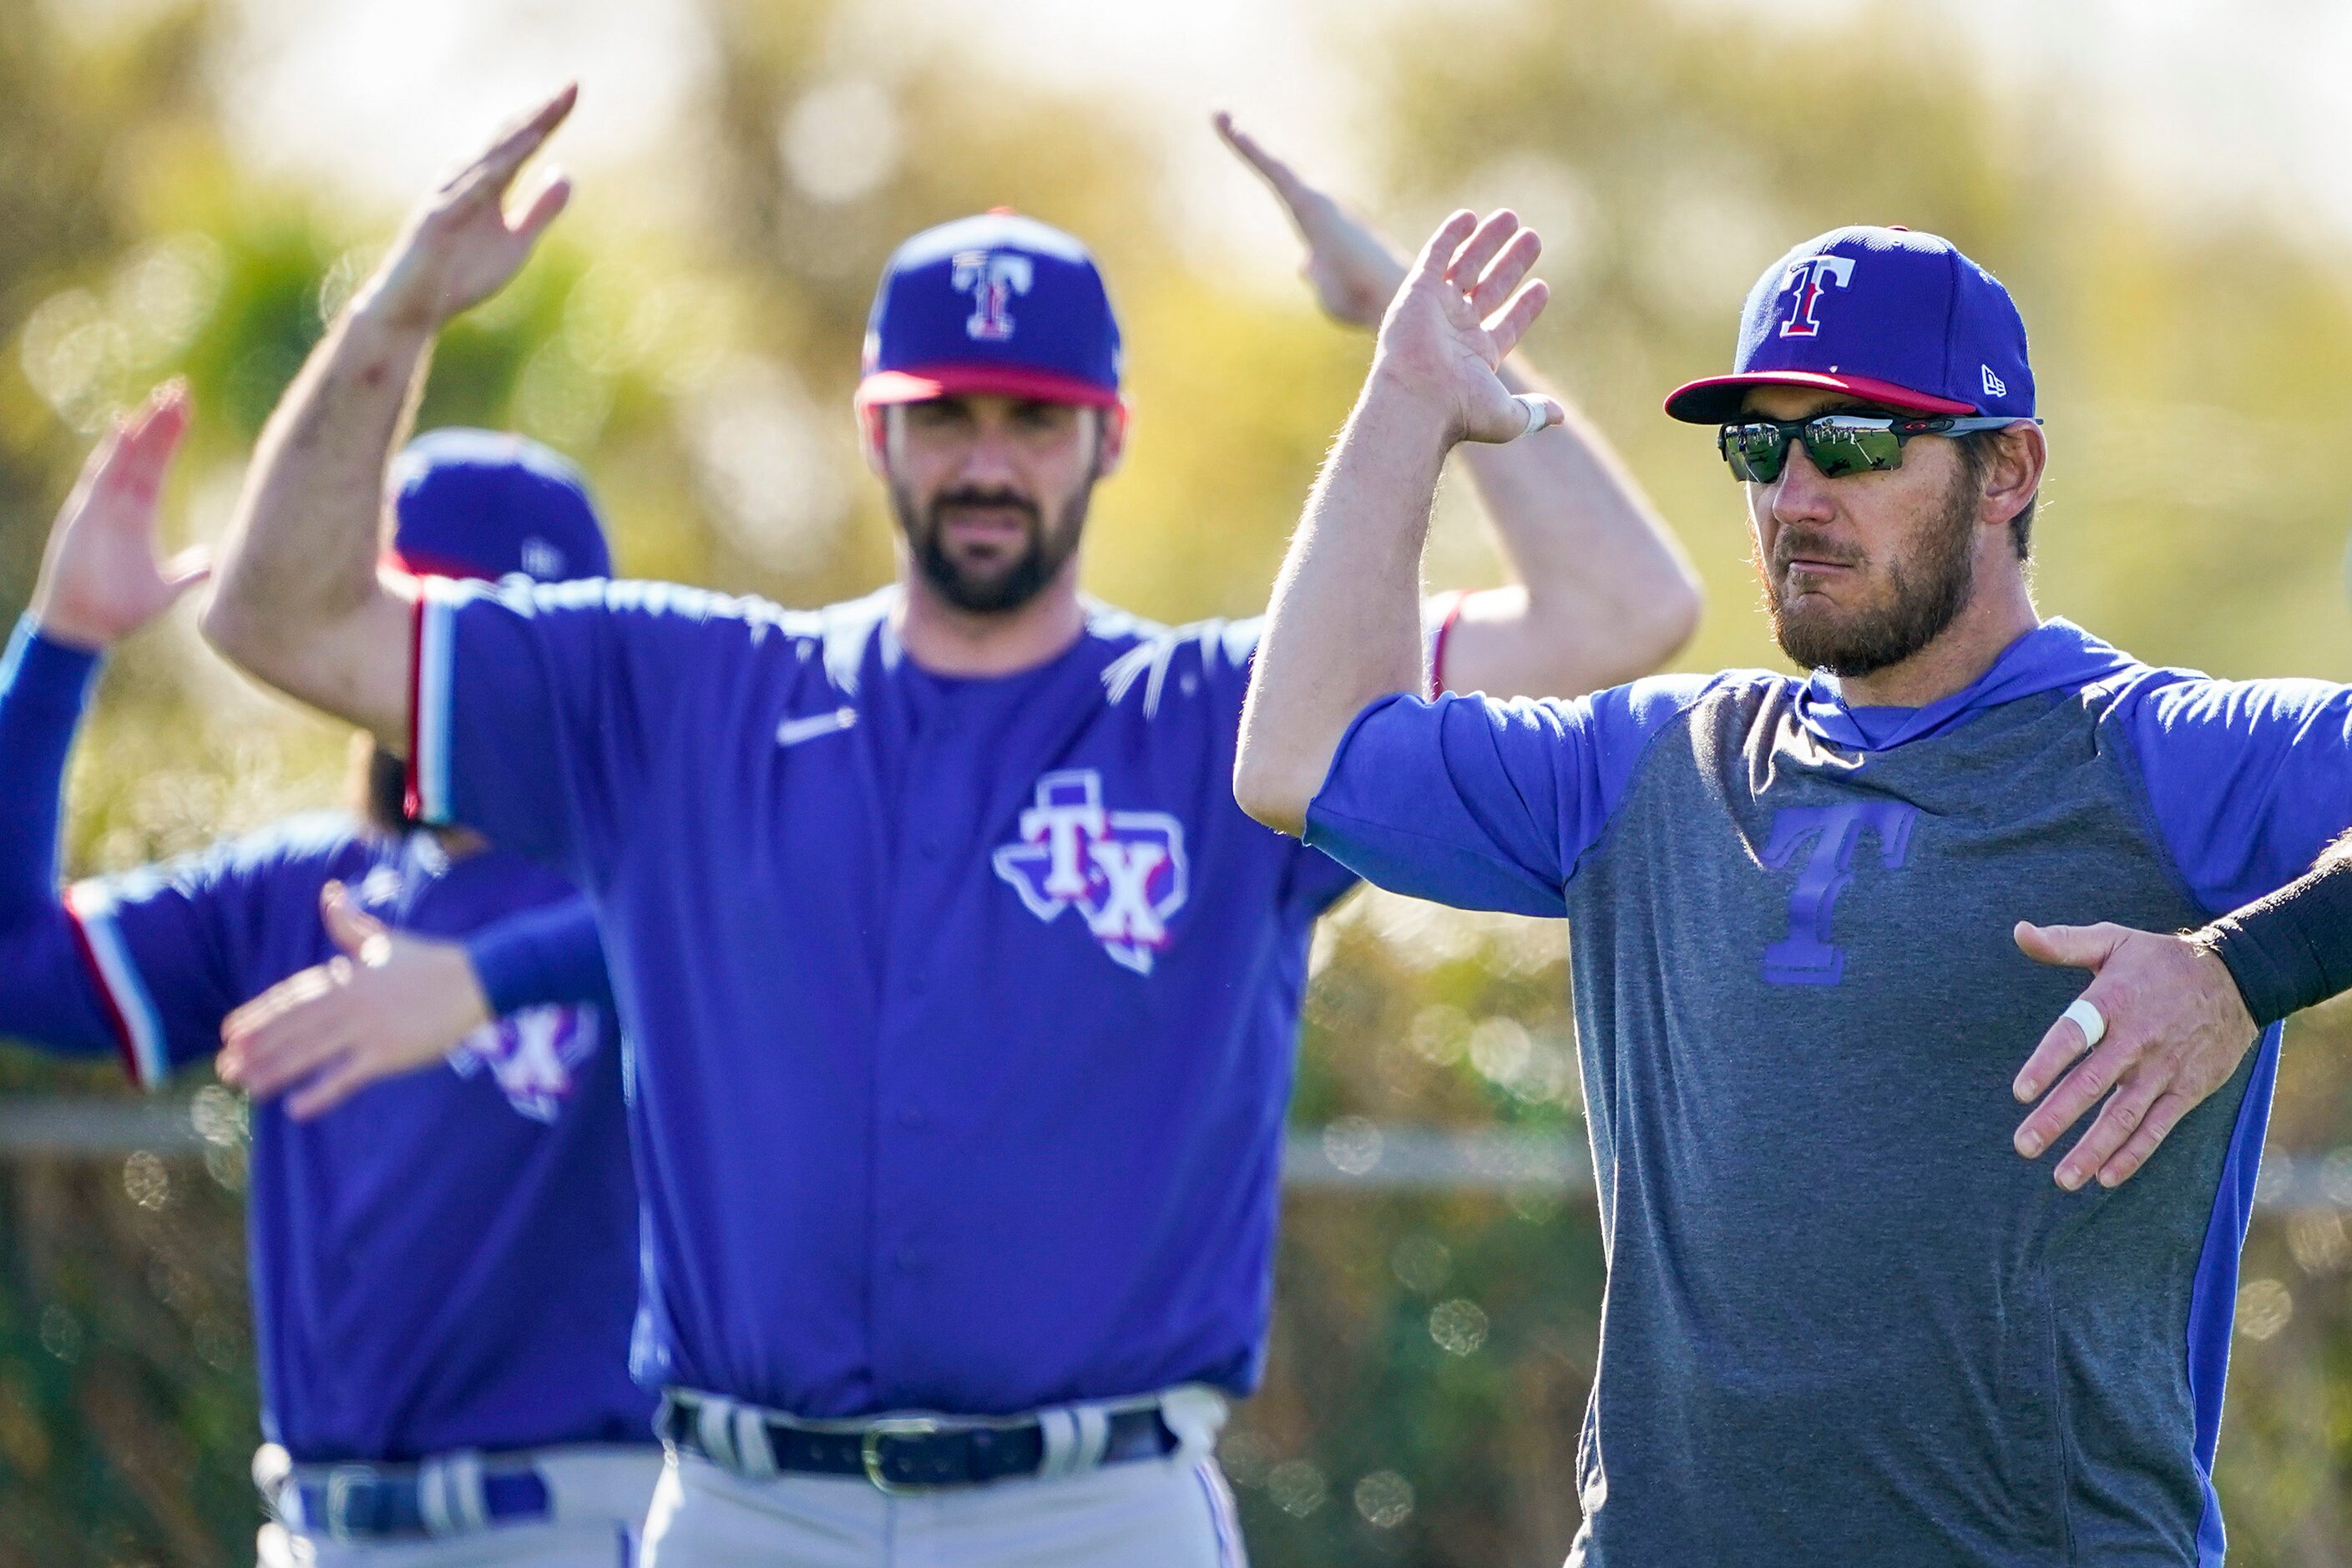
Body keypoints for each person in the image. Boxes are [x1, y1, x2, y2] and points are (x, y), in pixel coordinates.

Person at [195, 89, 1698, 1566]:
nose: (988, 458)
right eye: (946, 416)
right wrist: (393, 318)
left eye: (1034, 418)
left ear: (1106, 436)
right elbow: (281, 616)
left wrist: (1417, 349)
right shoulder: (684, 693)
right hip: (744, 1508)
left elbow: (1621, 607)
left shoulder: (1222, 711)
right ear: (873, 431)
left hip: (1100, 1505)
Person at [1234, 215, 2352, 1563]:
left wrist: (2239, 971)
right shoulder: (1651, 763)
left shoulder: (2156, 754)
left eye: (1857, 439)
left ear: (2006, 468)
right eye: (1758, 444)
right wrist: (1406, 403)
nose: (1795, 494)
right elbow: (1295, 759)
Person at [0, 387, 660, 1565]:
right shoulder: (294, 886)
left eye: (474, 630)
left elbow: (770, 938)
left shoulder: (644, 883)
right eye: (396, 615)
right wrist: (62, 646)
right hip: (314, 1531)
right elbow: (18, 970)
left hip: (564, 1527)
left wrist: (485, 977)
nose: (424, 661)